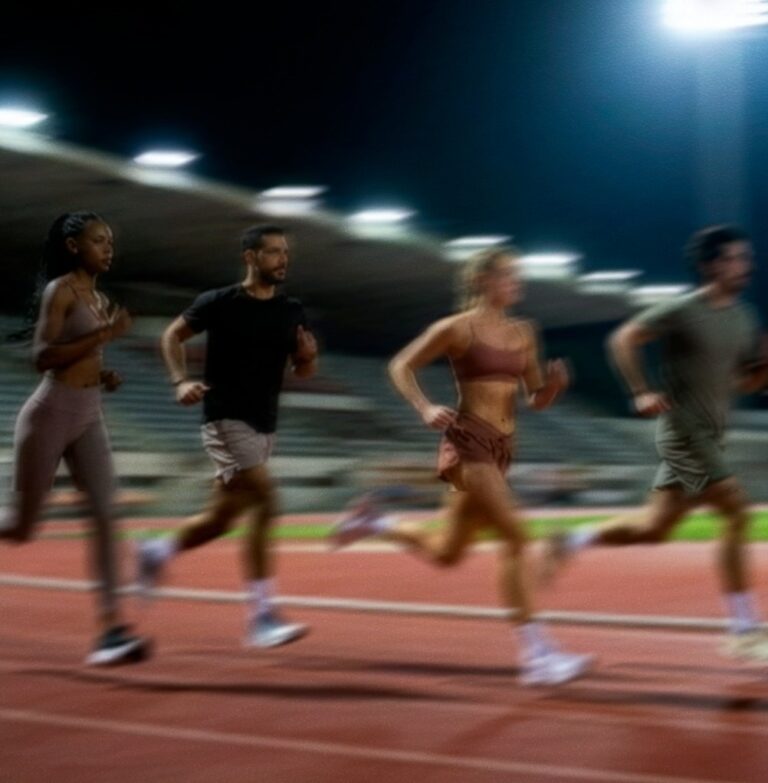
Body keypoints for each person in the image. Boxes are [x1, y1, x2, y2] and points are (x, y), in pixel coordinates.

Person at [331, 247, 593, 686]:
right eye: (509, 275)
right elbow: (401, 365)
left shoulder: (524, 332)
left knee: (447, 552)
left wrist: (555, 388)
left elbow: (535, 398)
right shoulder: (455, 328)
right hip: (468, 443)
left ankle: (375, 524)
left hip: (503, 448)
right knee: (517, 537)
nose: (518, 283)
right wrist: (423, 406)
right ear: (484, 280)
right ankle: (538, 656)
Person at [543, 225, 768, 660]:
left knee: (654, 529)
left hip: (712, 435)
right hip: (685, 431)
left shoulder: (744, 319)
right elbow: (623, 339)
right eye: (737, 257)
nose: (747, 264)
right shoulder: (682, 310)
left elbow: (743, 381)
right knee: (737, 512)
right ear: (710, 265)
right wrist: (641, 389)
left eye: (747, 257)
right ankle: (743, 628)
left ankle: (569, 539)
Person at [137, 224, 317, 648]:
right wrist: (180, 379)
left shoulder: (292, 310)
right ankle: (261, 617)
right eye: (273, 252)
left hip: (265, 422)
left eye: (285, 252)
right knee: (267, 503)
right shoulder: (218, 302)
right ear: (251, 257)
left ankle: (156, 552)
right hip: (224, 418)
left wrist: (307, 359)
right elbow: (171, 336)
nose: (283, 259)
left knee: (221, 519)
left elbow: (303, 369)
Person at [0, 211, 149, 665]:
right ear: (73, 247)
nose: (108, 248)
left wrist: (103, 374)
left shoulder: (99, 298)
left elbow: (80, 357)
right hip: (49, 414)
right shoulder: (59, 292)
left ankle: (110, 629)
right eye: (99, 241)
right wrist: (106, 335)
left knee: (107, 514)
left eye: (110, 241)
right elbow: (42, 357)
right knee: (23, 528)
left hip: (88, 414)